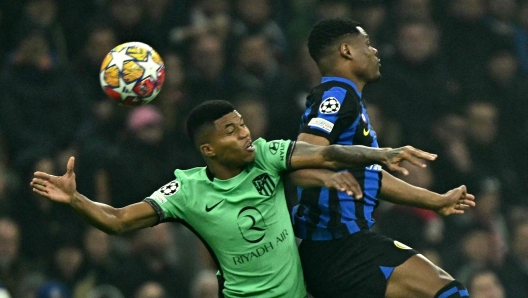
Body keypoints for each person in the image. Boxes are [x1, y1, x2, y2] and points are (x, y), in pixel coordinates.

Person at [30, 100, 441, 298]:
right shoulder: (186, 191)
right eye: (231, 130)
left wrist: (382, 153)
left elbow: (329, 152)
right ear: (208, 150)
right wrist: (76, 199)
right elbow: (119, 220)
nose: (245, 134)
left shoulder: (266, 156)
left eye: (243, 124)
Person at [289, 18, 475, 298]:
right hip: (339, 248)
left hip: (342, 251)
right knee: (449, 292)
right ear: (346, 51)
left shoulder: (350, 101)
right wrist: (330, 176)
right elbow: (300, 159)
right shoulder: (337, 96)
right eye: (367, 45)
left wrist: (437, 200)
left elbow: (372, 178)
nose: (375, 51)